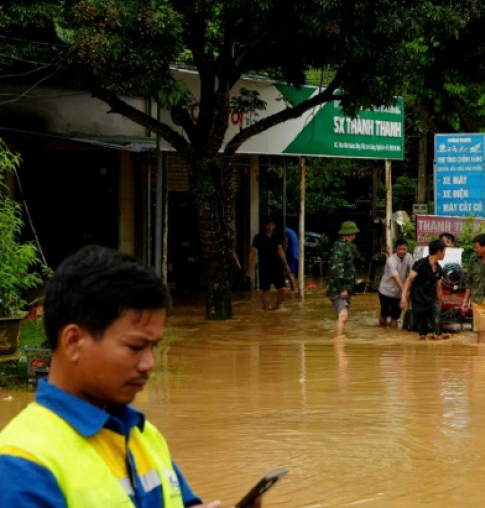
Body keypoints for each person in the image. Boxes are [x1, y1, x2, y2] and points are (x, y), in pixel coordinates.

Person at [0, 245, 262, 508]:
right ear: (73, 342)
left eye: (154, 347)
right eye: (135, 347)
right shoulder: (21, 464)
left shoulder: (144, 434)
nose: (149, 364)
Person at [400, 239, 447, 340]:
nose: (444, 254)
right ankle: (423, 351)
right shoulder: (420, 264)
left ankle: (439, 350)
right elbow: (409, 279)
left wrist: (439, 305)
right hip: (418, 300)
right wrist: (403, 297)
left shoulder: (439, 269)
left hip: (431, 300)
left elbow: (439, 289)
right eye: (444, 251)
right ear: (439, 251)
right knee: (422, 331)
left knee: (437, 322)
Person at [246, 217, 292, 311]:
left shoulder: (276, 236)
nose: (270, 227)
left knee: (282, 289)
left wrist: (286, 264)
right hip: (264, 267)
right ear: (264, 226)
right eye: (268, 225)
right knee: (266, 290)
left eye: (272, 225)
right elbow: (252, 252)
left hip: (277, 267)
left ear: (274, 226)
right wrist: (249, 268)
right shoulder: (258, 238)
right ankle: (266, 311)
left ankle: (276, 307)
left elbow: (280, 250)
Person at [327, 220, 359, 339]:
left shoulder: (344, 246)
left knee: (343, 318)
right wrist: (341, 288)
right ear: (352, 233)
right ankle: (339, 347)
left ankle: (337, 341)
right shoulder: (340, 246)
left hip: (343, 287)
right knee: (343, 316)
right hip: (339, 288)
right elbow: (336, 269)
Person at [377, 238, 413, 328]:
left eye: (404, 249)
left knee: (395, 317)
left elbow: (413, 273)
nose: (402, 251)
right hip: (386, 292)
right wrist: (405, 293)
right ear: (395, 249)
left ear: (407, 249)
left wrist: (410, 291)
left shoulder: (409, 257)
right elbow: (397, 279)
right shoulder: (391, 261)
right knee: (384, 315)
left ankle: (394, 337)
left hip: (398, 294)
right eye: (399, 249)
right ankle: (381, 334)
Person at [283, 226, 299, 291]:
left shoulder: (285, 232)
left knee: (288, 273)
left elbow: (286, 243)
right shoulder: (291, 231)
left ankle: (293, 290)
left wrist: (283, 253)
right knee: (292, 272)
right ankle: (292, 287)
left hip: (291, 254)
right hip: (296, 254)